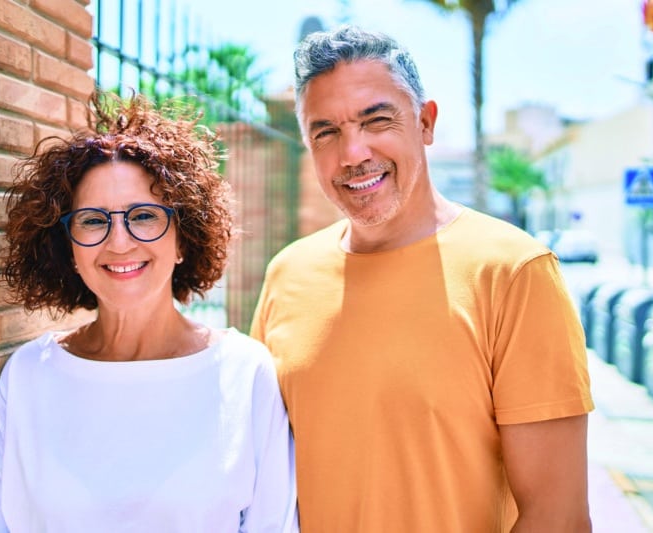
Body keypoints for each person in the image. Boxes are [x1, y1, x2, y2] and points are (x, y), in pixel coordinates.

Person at [250, 25, 593, 532]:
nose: (353, 153)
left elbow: (556, 517)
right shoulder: (287, 274)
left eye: (377, 120)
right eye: (326, 132)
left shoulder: (513, 271)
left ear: (425, 122)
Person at [0, 92, 298, 532]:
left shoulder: (245, 373)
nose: (119, 243)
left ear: (184, 238)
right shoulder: (29, 375)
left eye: (144, 216)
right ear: (68, 247)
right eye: (93, 220)